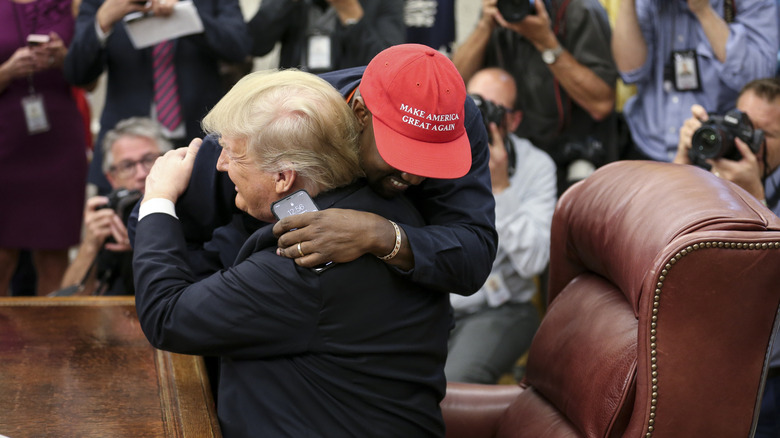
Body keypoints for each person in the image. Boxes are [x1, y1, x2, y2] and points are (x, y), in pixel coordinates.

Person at [133, 69, 452, 437]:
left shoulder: (304, 263)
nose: (220, 165)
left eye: (234, 153)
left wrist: (158, 198)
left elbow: (166, 317)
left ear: (284, 178)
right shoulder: (390, 210)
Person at [128, 43, 497, 297]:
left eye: (431, 161)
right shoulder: (289, 115)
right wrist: (234, 290)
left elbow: (473, 257)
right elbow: (154, 221)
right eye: (401, 156)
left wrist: (380, 234)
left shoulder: (452, 119)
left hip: (386, 332)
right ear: (360, 115)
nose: (416, 177)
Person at [672, 77, 780, 438]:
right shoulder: (702, 173)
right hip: (693, 366)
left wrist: (757, 204)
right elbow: (657, 249)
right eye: (740, 124)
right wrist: (681, 168)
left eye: (763, 134)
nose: (742, 141)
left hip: (766, 378)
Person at [64, 0, 251, 195]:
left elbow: (240, 47)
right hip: (127, 155)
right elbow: (77, 74)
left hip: (201, 144)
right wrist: (102, 22)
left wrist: (185, 15)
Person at [445, 67, 556, 384]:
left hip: (500, 308)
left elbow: (533, 261)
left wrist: (501, 187)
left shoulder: (536, 166)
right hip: (437, 303)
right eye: (473, 103)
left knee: (455, 385)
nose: (479, 116)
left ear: (514, 120)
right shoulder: (439, 149)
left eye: (493, 109)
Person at [452, 0, 618, 195]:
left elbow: (601, 104)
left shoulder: (579, 10)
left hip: (573, 163)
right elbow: (452, 88)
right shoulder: (501, 10)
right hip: (514, 160)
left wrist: (546, 42)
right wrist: (484, 26)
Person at [613, 0, 779, 163]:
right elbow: (630, 72)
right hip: (645, 144)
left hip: (715, 151)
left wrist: (704, 11)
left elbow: (758, 82)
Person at [0, 0, 88, 296]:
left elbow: (91, 80)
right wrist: (7, 71)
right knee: (1, 256)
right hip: (5, 142)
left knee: (54, 255)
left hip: (58, 143)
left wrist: (65, 59)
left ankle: (52, 341)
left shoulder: (74, 5)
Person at [59, 117, 171, 296]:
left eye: (149, 159)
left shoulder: (191, 206)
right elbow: (68, 302)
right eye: (127, 166)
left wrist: (143, 243)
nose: (141, 174)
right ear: (111, 178)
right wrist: (90, 244)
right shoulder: (112, 216)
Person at [247, 0, 405, 73]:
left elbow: (387, 66)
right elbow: (254, 45)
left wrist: (350, 13)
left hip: (352, 101)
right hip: (294, 98)